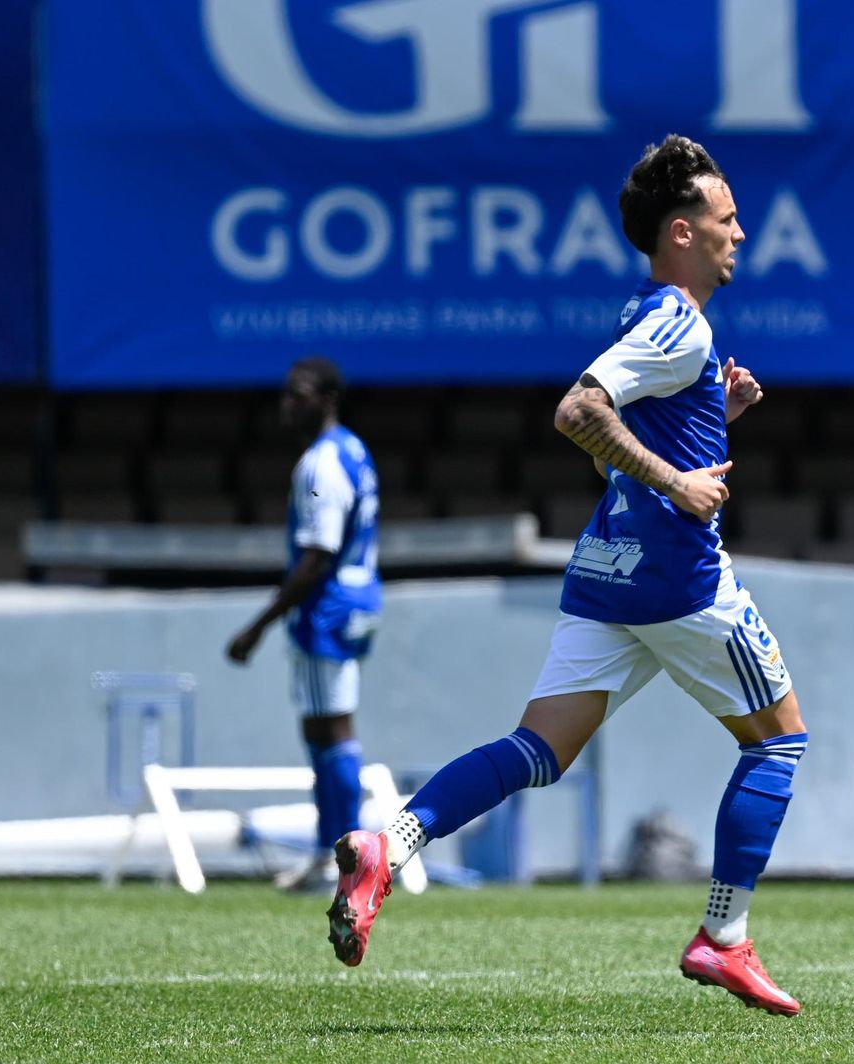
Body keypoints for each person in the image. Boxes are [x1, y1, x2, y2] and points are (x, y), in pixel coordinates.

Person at [325, 135, 808, 1016]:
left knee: (537, 750)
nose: (743, 232)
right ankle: (722, 937)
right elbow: (577, 411)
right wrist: (677, 481)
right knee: (777, 741)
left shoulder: (645, 317)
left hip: (607, 573)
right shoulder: (677, 322)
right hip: (677, 583)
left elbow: (608, 447)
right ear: (682, 233)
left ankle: (387, 846)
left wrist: (714, 422)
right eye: (727, 219)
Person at [226, 356, 381, 892]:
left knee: (328, 729)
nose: (287, 404)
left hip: (328, 609)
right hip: (356, 601)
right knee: (333, 725)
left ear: (327, 398)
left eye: (300, 394)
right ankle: (339, 852)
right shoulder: (355, 450)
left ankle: (340, 855)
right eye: (286, 394)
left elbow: (316, 553)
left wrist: (259, 625)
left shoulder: (320, 466)